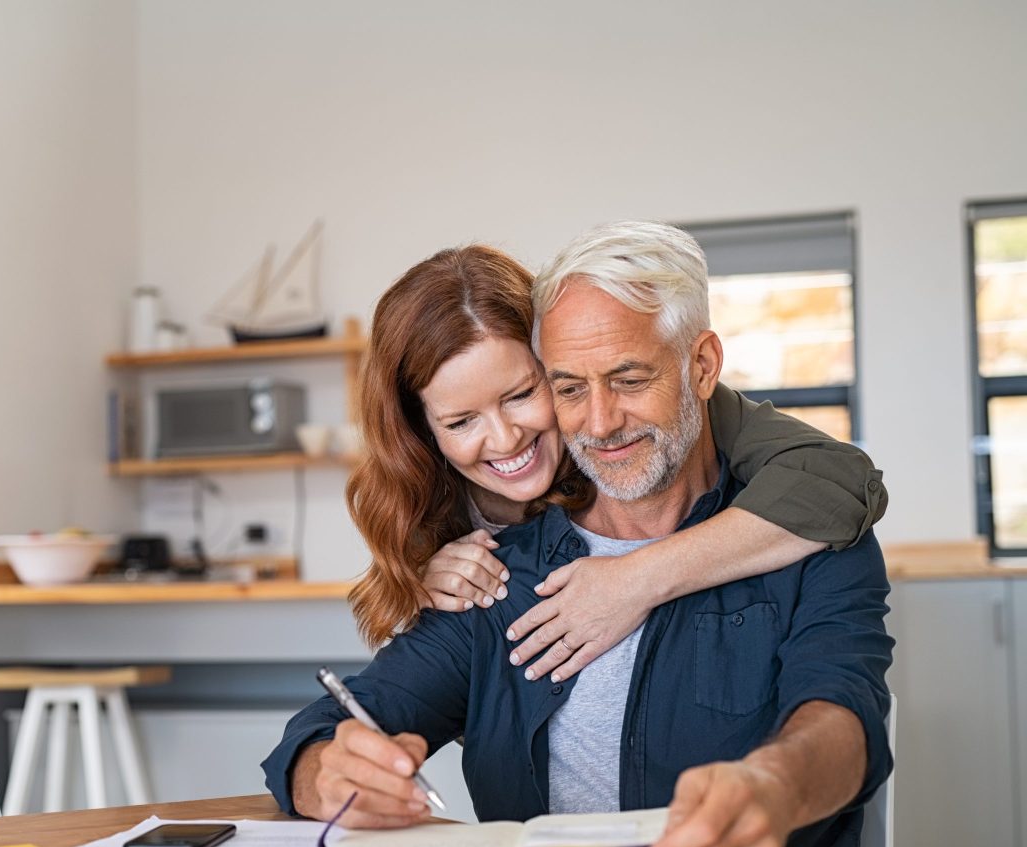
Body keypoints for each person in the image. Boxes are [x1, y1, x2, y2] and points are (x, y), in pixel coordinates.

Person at [263, 221, 893, 847]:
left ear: (702, 367)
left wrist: (776, 783)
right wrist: (323, 770)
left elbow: (843, 713)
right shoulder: (492, 570)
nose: (599, 422)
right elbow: (329, 727)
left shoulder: (802, 531)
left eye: (628, 379)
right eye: (568, 388)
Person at [346, 246, 885, 686]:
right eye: (461, 422)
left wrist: (635, 580)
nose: (505, 438)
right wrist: (419, 579)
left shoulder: (654, 425)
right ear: (424, 430)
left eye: (521, 394)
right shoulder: (417, 495)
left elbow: (842, 480)